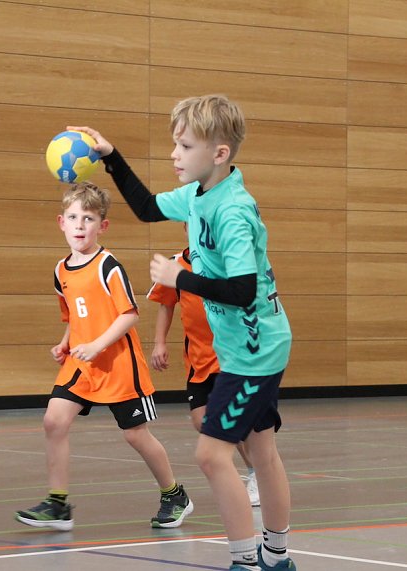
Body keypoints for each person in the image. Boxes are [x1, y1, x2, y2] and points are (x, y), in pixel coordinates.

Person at [69, 93, 296, 571]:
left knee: (212, 455)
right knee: (262, 449)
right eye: (175, 144)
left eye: (184, 146)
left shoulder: (231, 210)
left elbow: (241, 289)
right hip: (258, 342)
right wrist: (112, 158)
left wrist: (179, 279)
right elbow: (149, 207)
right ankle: (276, 558)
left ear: (219, 154)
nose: (174, 154)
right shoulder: (199, 193)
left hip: (254, 349)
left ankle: (248, 561)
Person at [15, 181, 193, 531]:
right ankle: (58, 504)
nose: (80, 225)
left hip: (117, 365)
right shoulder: (60, 270)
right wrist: (65, 342)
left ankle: (174, 494)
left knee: (135, 434)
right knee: (54, 421)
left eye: (89, 218)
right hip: (81, 364)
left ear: (103, 226)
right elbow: (75, 315)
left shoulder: (108, 265)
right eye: (73, 217)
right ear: (61, 222)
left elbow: (129, 315)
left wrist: (97, 345)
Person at [147, 229, 260, 507]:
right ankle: (250, 469)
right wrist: (159, 343)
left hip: (229, 356)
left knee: (230, 417)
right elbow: (165, 304)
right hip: (197, 360)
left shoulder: (227, 263)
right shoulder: (177, 266)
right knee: (201, 421)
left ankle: (256, 472)